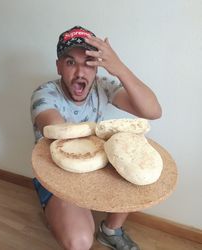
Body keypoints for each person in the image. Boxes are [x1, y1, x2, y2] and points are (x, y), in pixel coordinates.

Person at [30, 26, 162, 250]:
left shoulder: (103, 86)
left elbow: (153, 111)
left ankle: (111, 231)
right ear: (59, 66)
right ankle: (55, 214)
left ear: (98, 68)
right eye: (71, 62)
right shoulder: (44, 94)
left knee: (136, 169)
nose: (80, 73)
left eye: (89, 63)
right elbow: (59, 131)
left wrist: (119, 68)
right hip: (57, 174)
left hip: (92, 165)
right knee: (80, 241)